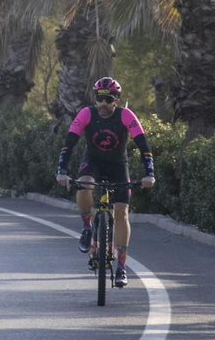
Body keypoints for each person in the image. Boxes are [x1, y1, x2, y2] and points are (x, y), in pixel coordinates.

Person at [56, 77, 156, 288]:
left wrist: (150, 174)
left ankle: (121, 266)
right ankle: (86, 227)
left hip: (118, 166)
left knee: (121, 212)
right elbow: (69, 143)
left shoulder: (126, 116)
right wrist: (62, 171)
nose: (102, 103)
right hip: (92, 163)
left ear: (116, 101)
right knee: (83, 185)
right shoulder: (86, 113)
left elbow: (143, 145)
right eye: (99, 99)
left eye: (108, 99)